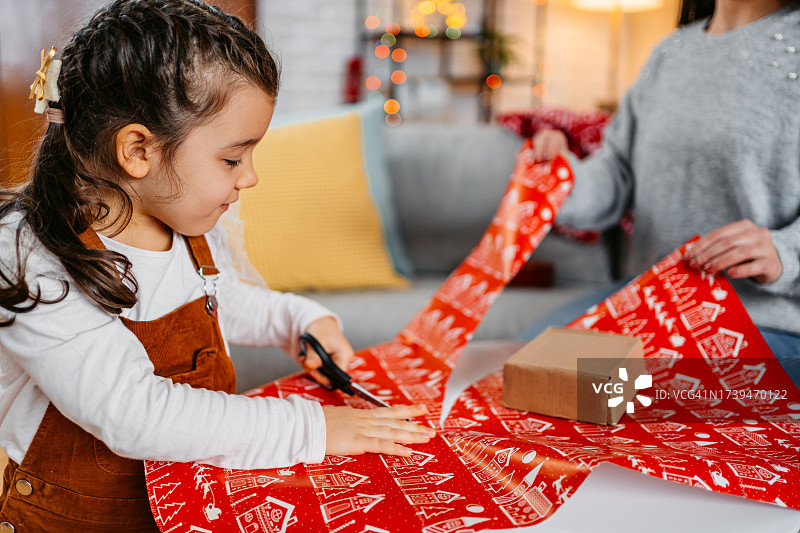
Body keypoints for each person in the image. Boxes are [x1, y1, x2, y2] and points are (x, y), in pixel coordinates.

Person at [0, 0, 434, 528]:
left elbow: (220, 299)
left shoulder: (182, 223)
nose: (249, 177)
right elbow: (135, 413)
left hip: (185, 506)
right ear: (138, 151)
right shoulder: (30, 259)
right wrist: (313, 428)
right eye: (232, 158)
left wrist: (297, 320)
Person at [527, 0, 800, 368]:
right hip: (649, 305)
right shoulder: (670, 52)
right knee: (518, 369)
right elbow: (618, 173)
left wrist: (784, 253)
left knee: (593, 392)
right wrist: (560, 178)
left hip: (766, 323)